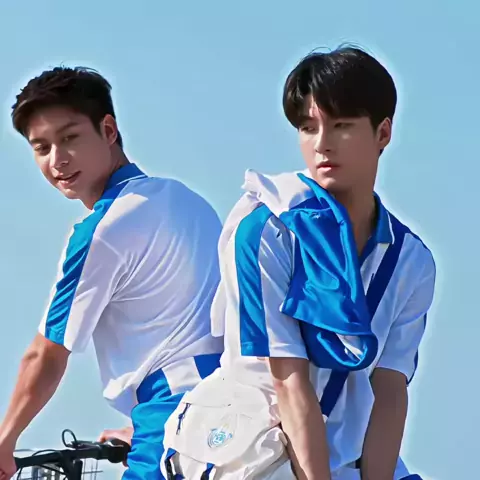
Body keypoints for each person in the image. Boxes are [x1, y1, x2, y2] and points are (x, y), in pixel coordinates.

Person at [159, 46, 435, 480]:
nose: (322, 144)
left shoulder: (411, 261)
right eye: (308, 127)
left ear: (383, 133)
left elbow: (389, 390)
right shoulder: (267, 230)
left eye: (342, 126)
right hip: (259, 447)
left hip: (349, 453)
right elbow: (289, 382)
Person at [0, 66, 224, 479]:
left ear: (108, 130)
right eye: (41, 147)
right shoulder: (187, 200)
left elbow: (46, 354)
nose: (57, 160)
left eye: (70, 138)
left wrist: (4, 441)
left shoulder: (103, 229)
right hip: (233, 412)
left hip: (174, 420)